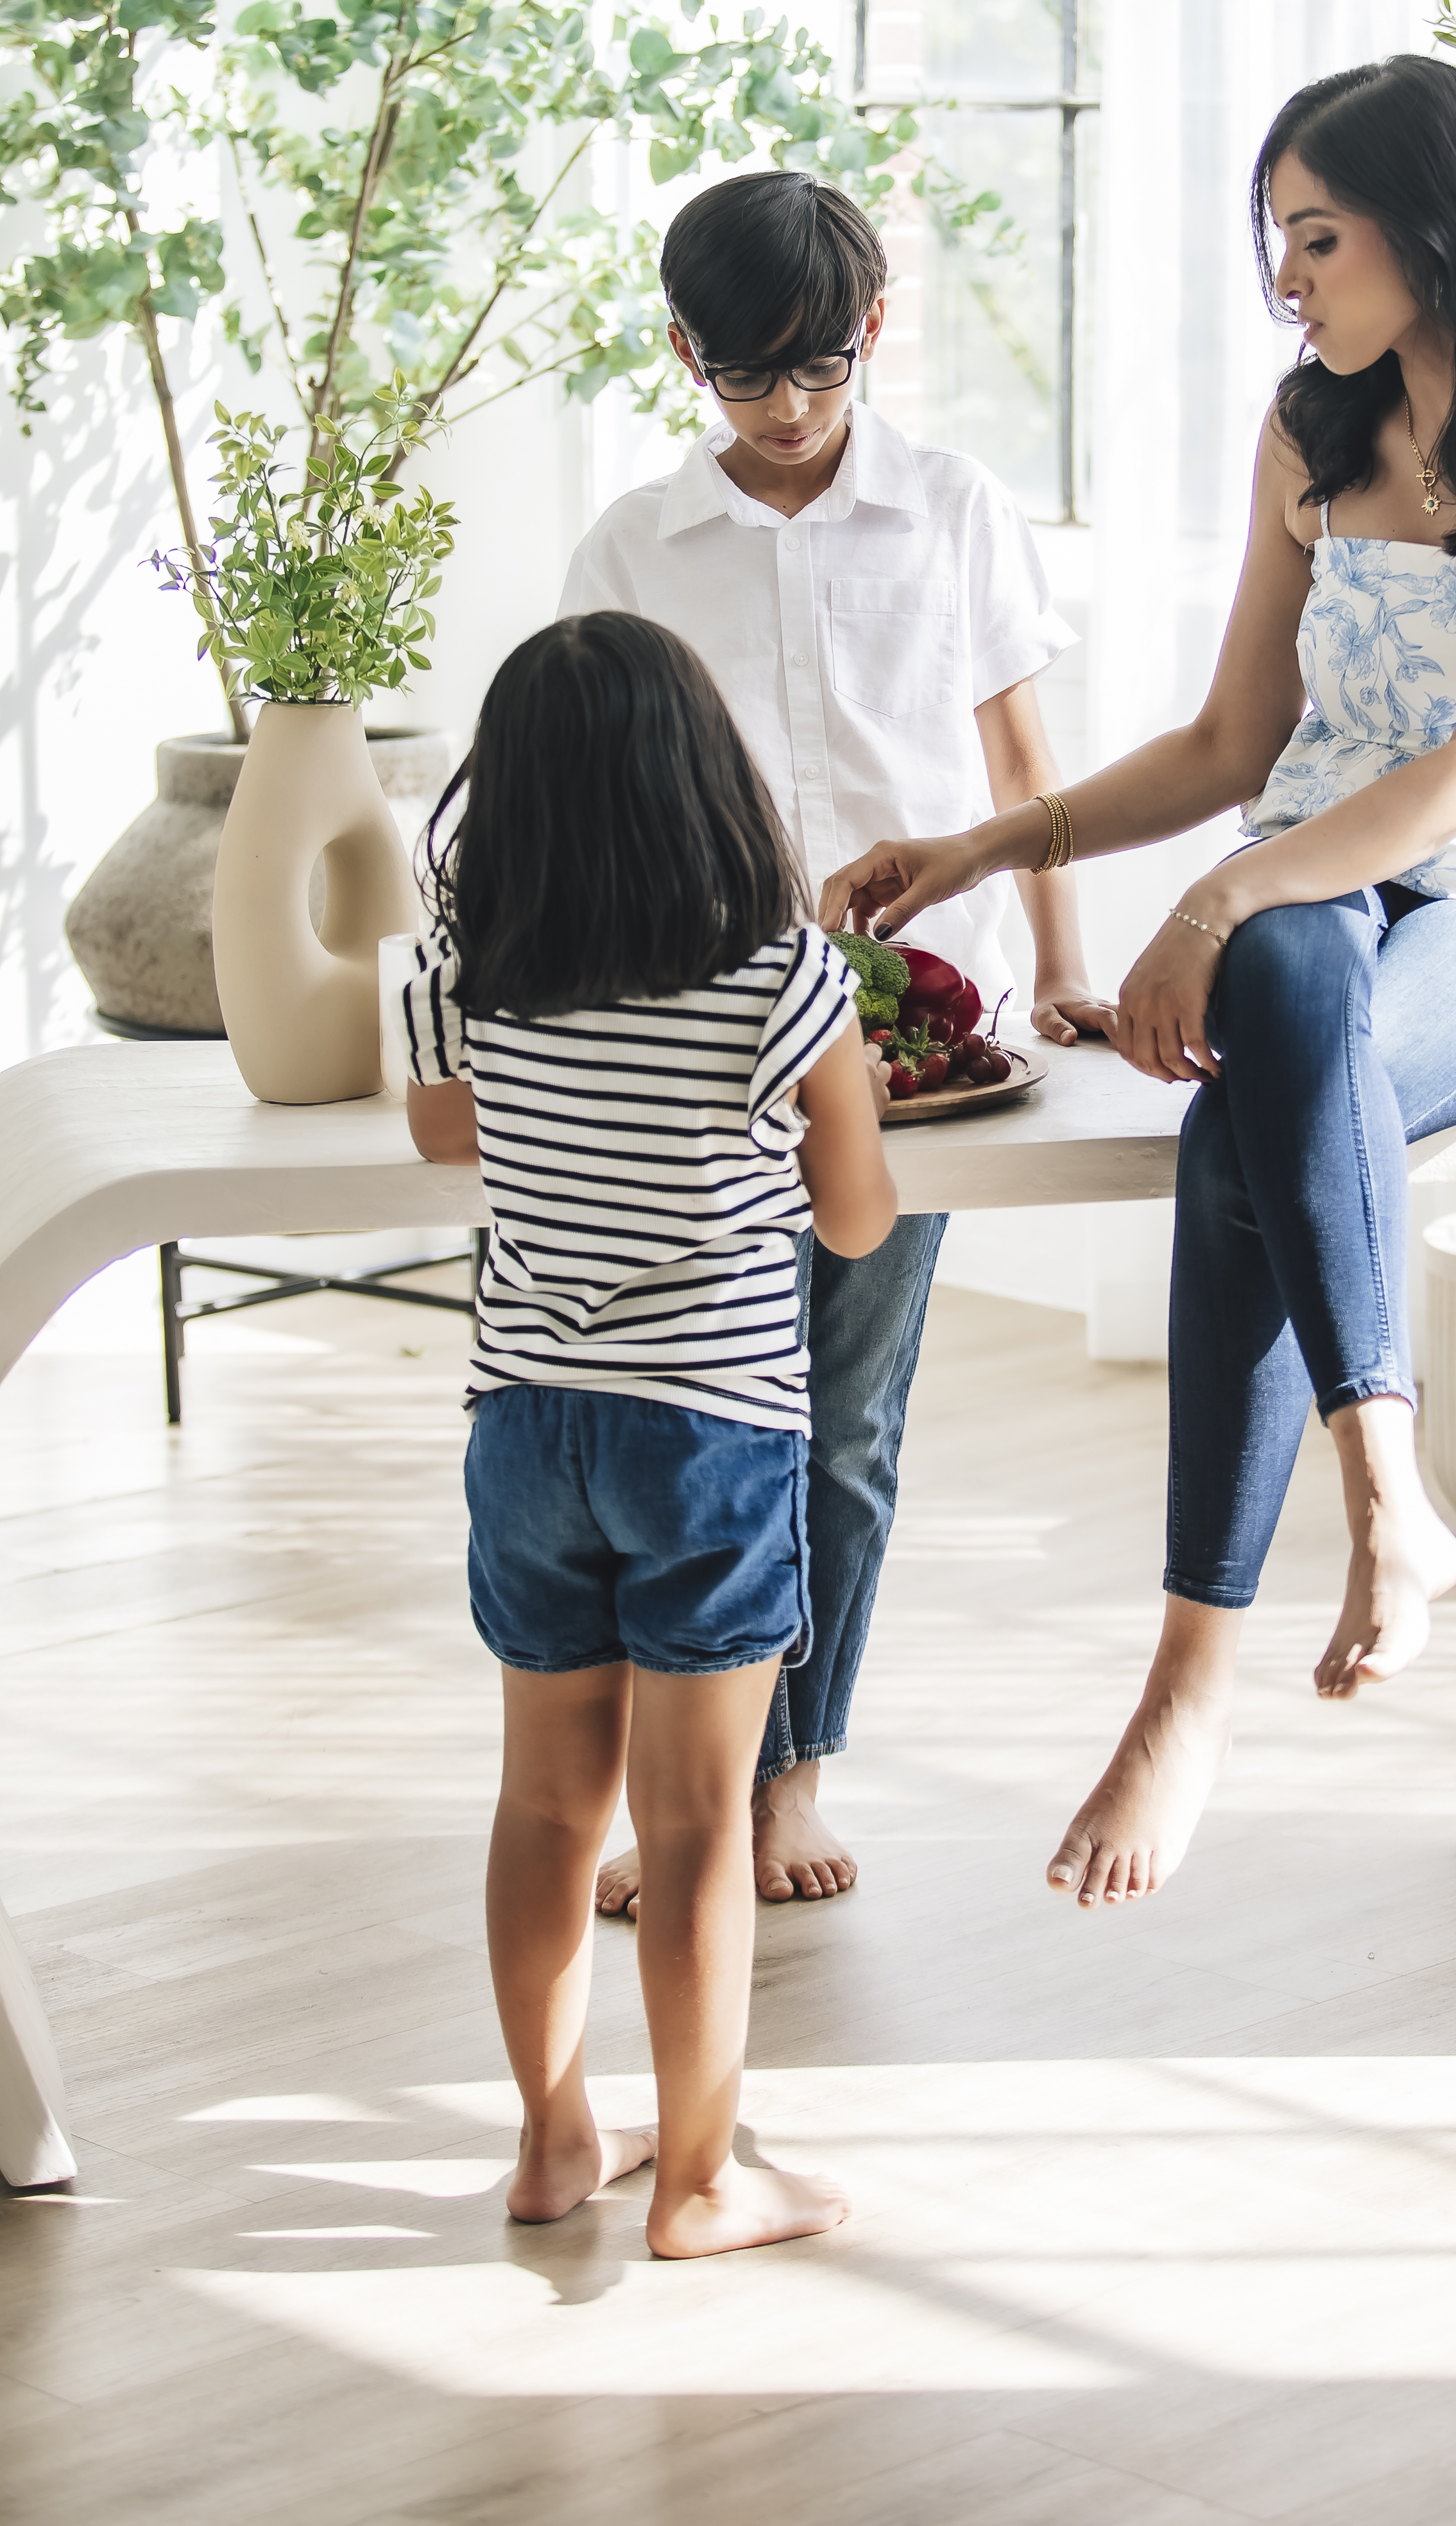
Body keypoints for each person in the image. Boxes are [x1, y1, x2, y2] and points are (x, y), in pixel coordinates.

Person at [820, 54, 1456, 1910]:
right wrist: (987, 847)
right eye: (1272, 243)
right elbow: (1241, 734)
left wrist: (1217, 901)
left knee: (1267, 1031)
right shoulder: (1310, 434)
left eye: (1314, 236)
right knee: (1290, 990)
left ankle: (1188, 1681)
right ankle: (1385, 1491)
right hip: (1323, 912)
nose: (1285, 281)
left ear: (1431, 217)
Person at [560, 171, 1108, 1915]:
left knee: (843, 1421)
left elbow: (1023, 778)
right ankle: (687, 1788)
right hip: (694, 1049)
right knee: (693, 1420)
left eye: (816, 369)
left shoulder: (949, 510)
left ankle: (793, 1772)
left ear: (872, 333)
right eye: (744, 379)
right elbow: (585, 797)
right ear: (682, 357)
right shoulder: (627, 550)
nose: (787, 411)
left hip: (909, 1045)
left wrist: (1062, 967)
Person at [404, 610, 893, 2256]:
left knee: (545, 1808)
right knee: (692, 1823)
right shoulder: (786, 978)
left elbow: (436, 1134)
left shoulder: (472, 971)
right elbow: (852, 1223)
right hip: (710, 1431)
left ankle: (552, 2142)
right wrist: (836, 1107)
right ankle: (697, 2177)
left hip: (528, 1422)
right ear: (708, 784)